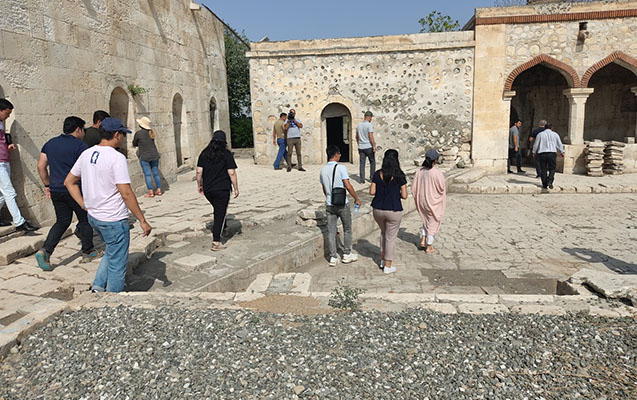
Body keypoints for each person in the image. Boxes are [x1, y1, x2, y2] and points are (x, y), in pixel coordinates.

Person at [65, 117, 152, 293]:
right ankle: (112, 300)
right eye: (123, 135)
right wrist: (142, 220)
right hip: (113, 218)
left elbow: (69, 181)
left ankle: (98, 287)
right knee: (117, 265)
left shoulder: (87, 153)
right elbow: (126, 193)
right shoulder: (116, 158)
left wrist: (83, 204)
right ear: (117, 134)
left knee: (112, 250)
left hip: (94, 216)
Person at [35, 116, 100, 270]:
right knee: (84, 219)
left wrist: (47, 184)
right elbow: (89, 169)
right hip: (75, 189)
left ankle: (46, 250)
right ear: (78, 129)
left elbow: (40, 166)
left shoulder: (50, 143)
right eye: (83, 130)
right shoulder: (80, 146)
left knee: (62, 221)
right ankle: (88, 251)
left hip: (56, 189)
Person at [196, 130, 239, 251]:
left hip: (208, 189)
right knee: (219, 213)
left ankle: (223, 228)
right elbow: (231, 172)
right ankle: (216, 242)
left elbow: (199, 171)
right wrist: (236, 187)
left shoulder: (204, 153)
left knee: (219, 209)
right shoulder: (226, 154)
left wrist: (199, 185)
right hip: (222, 189)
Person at [0, 98, 39, 231]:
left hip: (4, 160)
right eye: (6, 113)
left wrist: (8, 144)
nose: (8, 116)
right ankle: (19, 222)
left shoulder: (1, 123)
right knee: (9, 192)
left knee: (2, 195)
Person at [319, 145, 360, 267]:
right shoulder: (341, 168)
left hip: (329, 203)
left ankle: (333, 257)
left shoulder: (323, 170)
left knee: (331, 231)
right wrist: (356, 198)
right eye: (339, 154)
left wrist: (329, 197)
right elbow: (347, 185)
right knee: (347, 228)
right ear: (336, 155)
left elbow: (324, 188)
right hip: (342, 203)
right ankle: (347, 254)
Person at [370, 149, 407, 274]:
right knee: (390, 237)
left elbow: (372, 192)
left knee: (383, 233)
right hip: (393, 209)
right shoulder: (399, 175)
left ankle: (382, 259)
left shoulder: (377, 174)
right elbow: (405, 195)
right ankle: (388, 264)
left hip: (378, 209)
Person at [412, 149, 446, 254]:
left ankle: (423, 239)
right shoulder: (437, 173)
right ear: (435, 160)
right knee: (433, 222)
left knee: (426, 219)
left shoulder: (420, 171)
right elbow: (441, 188)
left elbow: (414, 187)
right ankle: (429, 246)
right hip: (433, 201)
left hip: (422, 201)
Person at [133, 116, 162, 197]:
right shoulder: (151, 132)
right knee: (156, 173)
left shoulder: (138, 133)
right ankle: (159, 190)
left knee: (147, 174)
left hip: (145, 156)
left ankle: (151, 192)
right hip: (154, 155)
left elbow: (134, 143)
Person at [532, 122, 564, 192]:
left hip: (542, 153)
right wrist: (562, 151)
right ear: (551, 128)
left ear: (544, 128)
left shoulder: (540, 134)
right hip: (552, 153)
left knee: (543, 169)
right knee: (552, 168)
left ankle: (544, 184)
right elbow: (559, 144)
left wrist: (534, 152)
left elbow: (536, 144)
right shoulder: (555, 134)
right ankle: (550, 180)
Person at [356, 111, 377, 183]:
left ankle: (362, 180)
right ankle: (372, 177)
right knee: (372, 162)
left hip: (361, 147)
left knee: (362, 163)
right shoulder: (369, 125)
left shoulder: (359, 125)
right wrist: (374, 145)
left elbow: (357, 136)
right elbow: (370, 136)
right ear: (369, 117)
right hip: (368, 146)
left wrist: (359, 143)